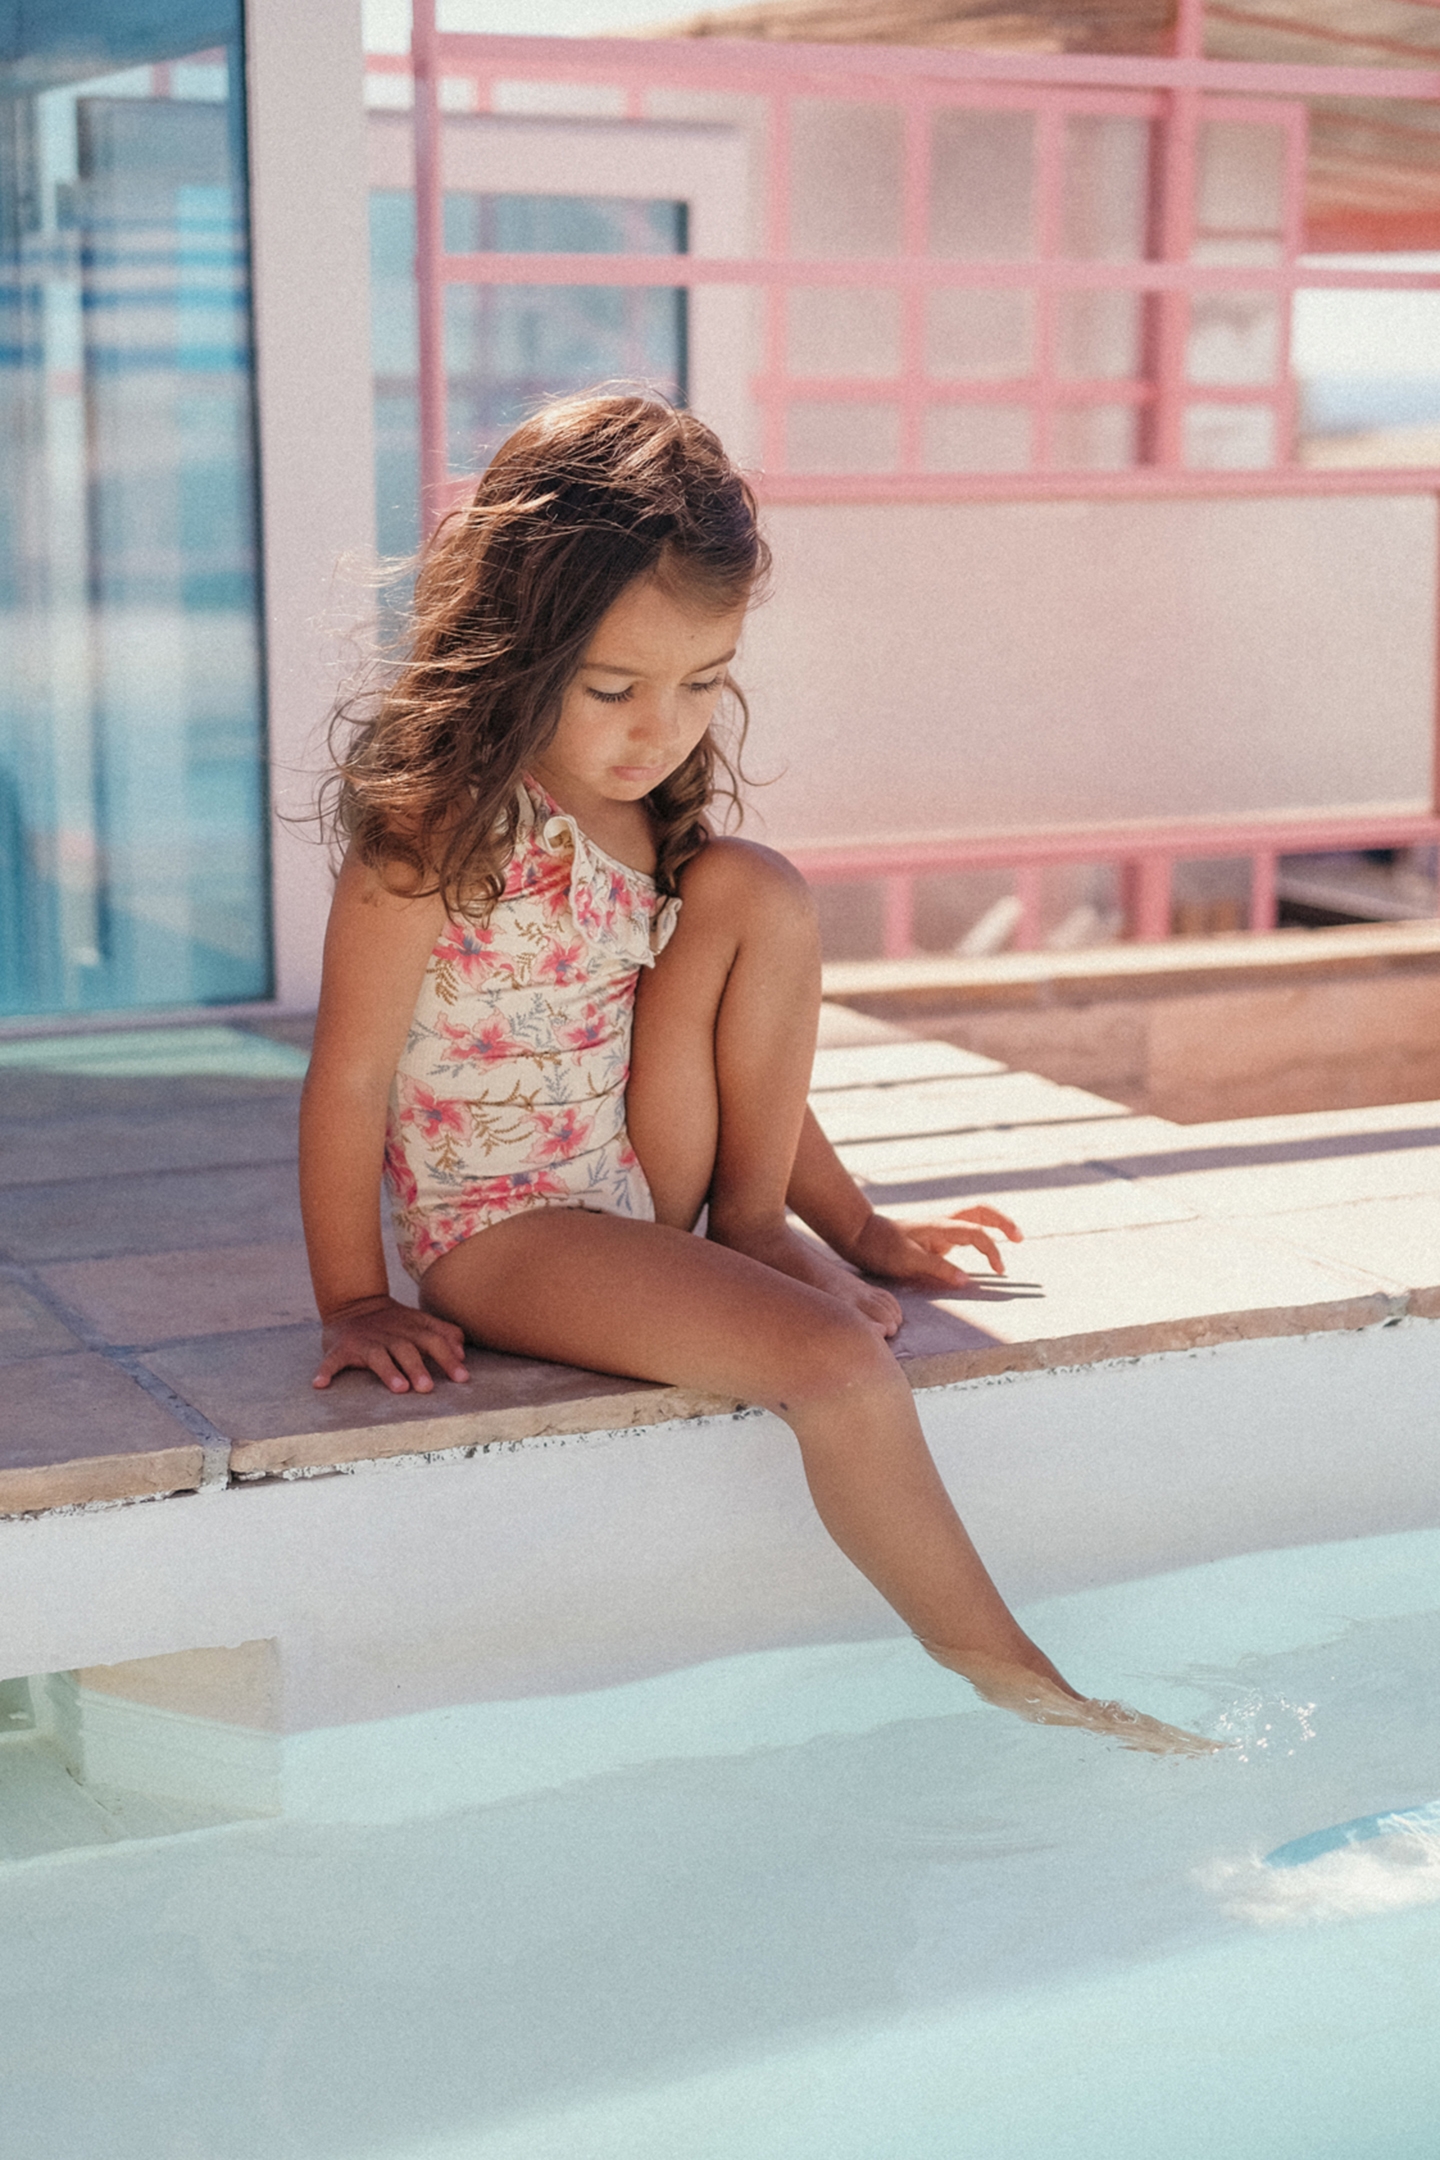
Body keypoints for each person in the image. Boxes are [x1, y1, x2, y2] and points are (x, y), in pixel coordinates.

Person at [301, 392, 1212, 1755]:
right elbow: (349, 1079)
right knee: (833, 1364)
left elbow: (741, 1052)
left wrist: (863, 1226)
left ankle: (762, 1230)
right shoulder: (432, 838)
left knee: (758, 890)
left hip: (635, 1175)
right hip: (506, 1229)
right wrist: (356, 1297)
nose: (656, 730)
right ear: (513, 648)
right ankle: (1016, 1677)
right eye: (614, 688)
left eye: (699, 683)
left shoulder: (645, 824)